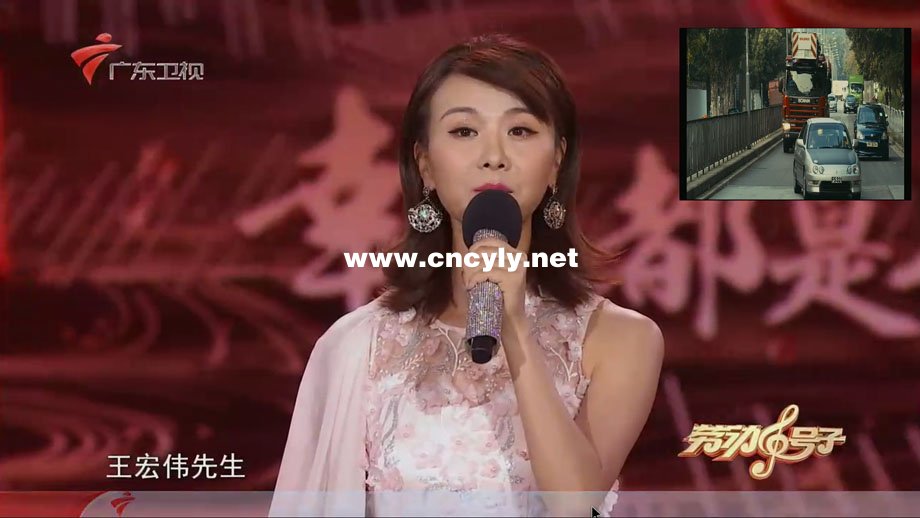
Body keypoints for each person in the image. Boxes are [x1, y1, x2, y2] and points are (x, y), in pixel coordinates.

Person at [269, 33, 664, 517]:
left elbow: (575, 505)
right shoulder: (357, 345)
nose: (493, 155)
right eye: (463, 131)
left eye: (520, 131)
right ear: (425, 165)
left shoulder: (620, 339)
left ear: (557, 162)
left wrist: (514, 328)